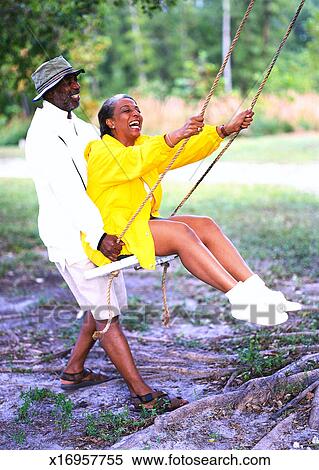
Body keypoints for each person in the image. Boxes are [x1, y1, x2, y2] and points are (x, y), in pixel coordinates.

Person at [25, 57, 187, 413]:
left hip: (100, 231)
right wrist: (98, 235)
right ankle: (143, 393)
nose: (75, 87)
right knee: (105, 313)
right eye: (68, 82)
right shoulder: (43, 136)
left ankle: (73, 371)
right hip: (73, 237)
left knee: (100, 302)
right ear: (49, 91)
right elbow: (68, 191)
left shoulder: (79, 127)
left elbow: (120, 161)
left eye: (75, 80)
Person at [81, 94, 301, 327]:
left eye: (137, 109)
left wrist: (223, 131)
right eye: (126, 110)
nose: (136, 114)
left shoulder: (142, 145)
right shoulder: (101, 150)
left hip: (140, 223)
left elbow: (180, 151)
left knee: (204, 224)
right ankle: (240, 298)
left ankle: (258, 289)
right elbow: (136, 159)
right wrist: (174, 135)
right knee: (182, 233)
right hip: (115, 236)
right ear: (110, 123)